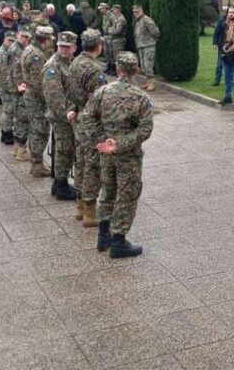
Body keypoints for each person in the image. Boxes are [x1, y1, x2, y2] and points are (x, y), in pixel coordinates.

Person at [86, 51, 154, 259]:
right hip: (128, 155)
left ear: (117, 70)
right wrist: (119, 144)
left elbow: (87, 117)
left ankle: (103, 234)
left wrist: (101, 141)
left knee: (108, 189)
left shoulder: (102, 92)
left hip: (106, 152)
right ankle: (118, 241)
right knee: (127, 194)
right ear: (136, 71)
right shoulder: (141, 97)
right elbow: (145, 129)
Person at [67, 29, 106, 227]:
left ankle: (80, 206)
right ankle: (90, 212)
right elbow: (100, 101)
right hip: (91, 123)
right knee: (92, 166)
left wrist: (73, 108)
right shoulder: (94, 69)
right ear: (99, 45)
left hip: (80, 120)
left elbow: (70, 92)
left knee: (81, 163)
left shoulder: (74, 62)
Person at [43, 31, 78, 201]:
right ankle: (61, 186)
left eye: (67, 47)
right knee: (64, 150)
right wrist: (68, 116)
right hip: (61, 116)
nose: (64, 50)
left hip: (68, 113)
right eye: (61, 46)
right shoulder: (53, 66)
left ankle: (58, 184)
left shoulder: (70, 63)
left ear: (74, 48)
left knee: (65, 149)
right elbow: (54, 97)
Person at [18, 22, 54, 177]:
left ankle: (35, 163)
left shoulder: (29, 49)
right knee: (40, 130)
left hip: (30, 95)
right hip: (36, 98)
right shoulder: (36, 55)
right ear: (44, 39)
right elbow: (38, 82)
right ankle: (37, 164)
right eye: (50, 40)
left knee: (35, 129)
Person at [213, 7, 234, 107]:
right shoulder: (223, 24)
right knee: (227, 76)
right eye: (229, 12)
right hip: (225, 53)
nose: (230, 14)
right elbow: (217, 34)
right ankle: (227, 97)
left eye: (233, 12)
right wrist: (217, 45)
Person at [8, 27, 32, 160]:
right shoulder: (16, 50)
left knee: (19, 118)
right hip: (18, 89)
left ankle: (18, 147)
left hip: (16, 87)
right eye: (22, 36)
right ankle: (21, 150)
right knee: (22, 118)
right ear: (17, 35)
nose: (25, 39)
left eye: (27, 37)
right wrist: (20, 85)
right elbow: (16, 71)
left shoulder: (18, 48)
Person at [0, 31, 16, 144]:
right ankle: (7, 133)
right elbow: (3, 75)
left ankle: (5, 131)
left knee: (9, 110)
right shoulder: (2, 54)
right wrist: (9, 89)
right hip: (5, 87)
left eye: (13, 41)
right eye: (9, 40)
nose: (11, 43)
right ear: (4, 40)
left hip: (10, 86)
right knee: (8, 110)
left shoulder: (11, 52)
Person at [133, 5, 160, 92]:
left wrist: (151, 41)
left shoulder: (147, 20)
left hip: (148, 46)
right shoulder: (138, 21)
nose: (135, 13)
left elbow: (156, 32)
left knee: (148, 65)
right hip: (141, 46)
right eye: (134, 12)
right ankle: (148, 82)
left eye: (137, 11)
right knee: (144, 66)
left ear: (142, 11)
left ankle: (151, 83)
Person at [106, 4, 127, 76]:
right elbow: (111, 27)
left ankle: (120, 72)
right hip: (114, 40)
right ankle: (115, 70)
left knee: (118, 57)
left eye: (114, 10)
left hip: (119, 40)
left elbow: (118, 30)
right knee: (113, 56)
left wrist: (110, 31)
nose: (113, 11)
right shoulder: (116, 18)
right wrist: (111, 29)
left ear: (118, 9)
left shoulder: (121, 19)